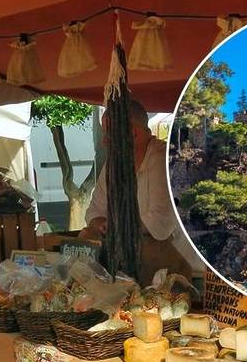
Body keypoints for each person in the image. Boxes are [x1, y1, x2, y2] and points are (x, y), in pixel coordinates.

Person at [79, 100, 204, 284]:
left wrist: (115, 227)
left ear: (133, 133)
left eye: (109, 134)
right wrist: (100, 224)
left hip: (188, 275)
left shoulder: (164, 160)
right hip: (139, 274)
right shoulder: (113, 165)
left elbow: (159, 224)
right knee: (86, 234)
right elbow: (94, 212)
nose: (104, 141)